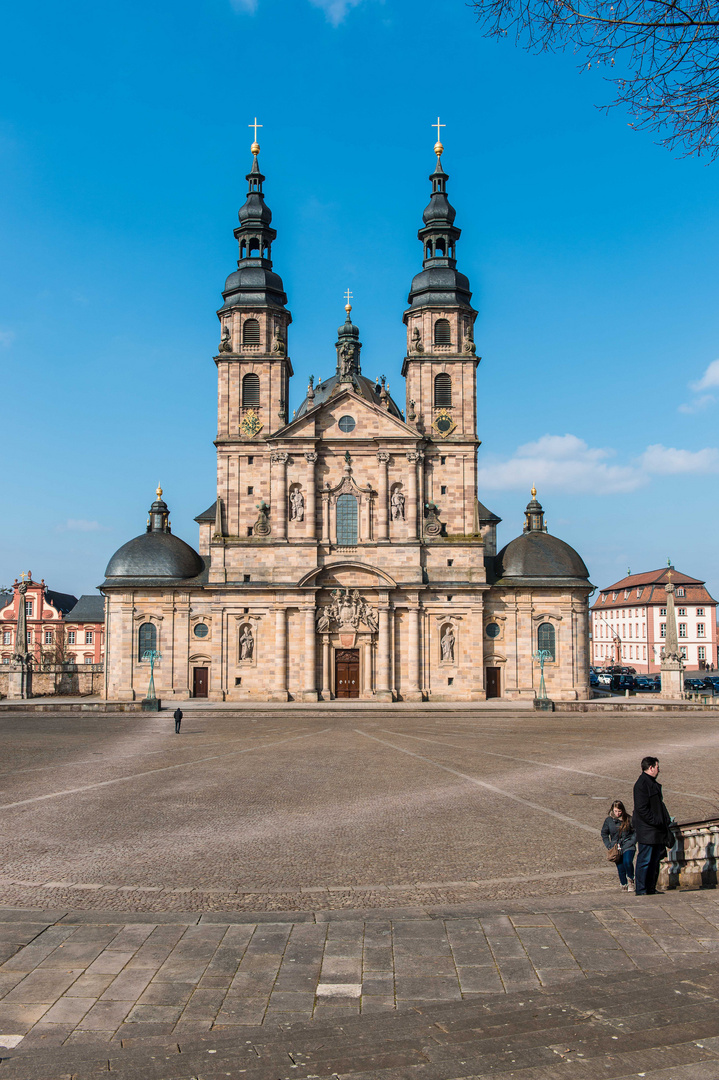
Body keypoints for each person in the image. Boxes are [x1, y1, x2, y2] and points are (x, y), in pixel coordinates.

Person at [632, 756, 672, 896]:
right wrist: (656, 821)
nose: (658, 770)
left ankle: (650, 888)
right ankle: (642, 889)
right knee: (645, 860)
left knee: (655, 860)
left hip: (656, 830)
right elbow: (642, 809)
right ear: (651, 768)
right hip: (648, 830)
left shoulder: (651, 783)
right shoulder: (642, 784)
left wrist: (664, 820)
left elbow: (659, 805)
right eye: (657, 767)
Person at [601, 800, 636, 893]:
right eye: (616, 811)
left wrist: (632, 841)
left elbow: (635, 831)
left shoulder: (628, 819)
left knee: (627, 861)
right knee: (620, 867)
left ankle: (631, 880)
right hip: (616, 847)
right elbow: (604, 833)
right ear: (612, 810)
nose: (617, 813)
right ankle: (623, 884)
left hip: (628, 844)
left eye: (619, 811)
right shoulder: (609, 820)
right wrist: (609, 845)